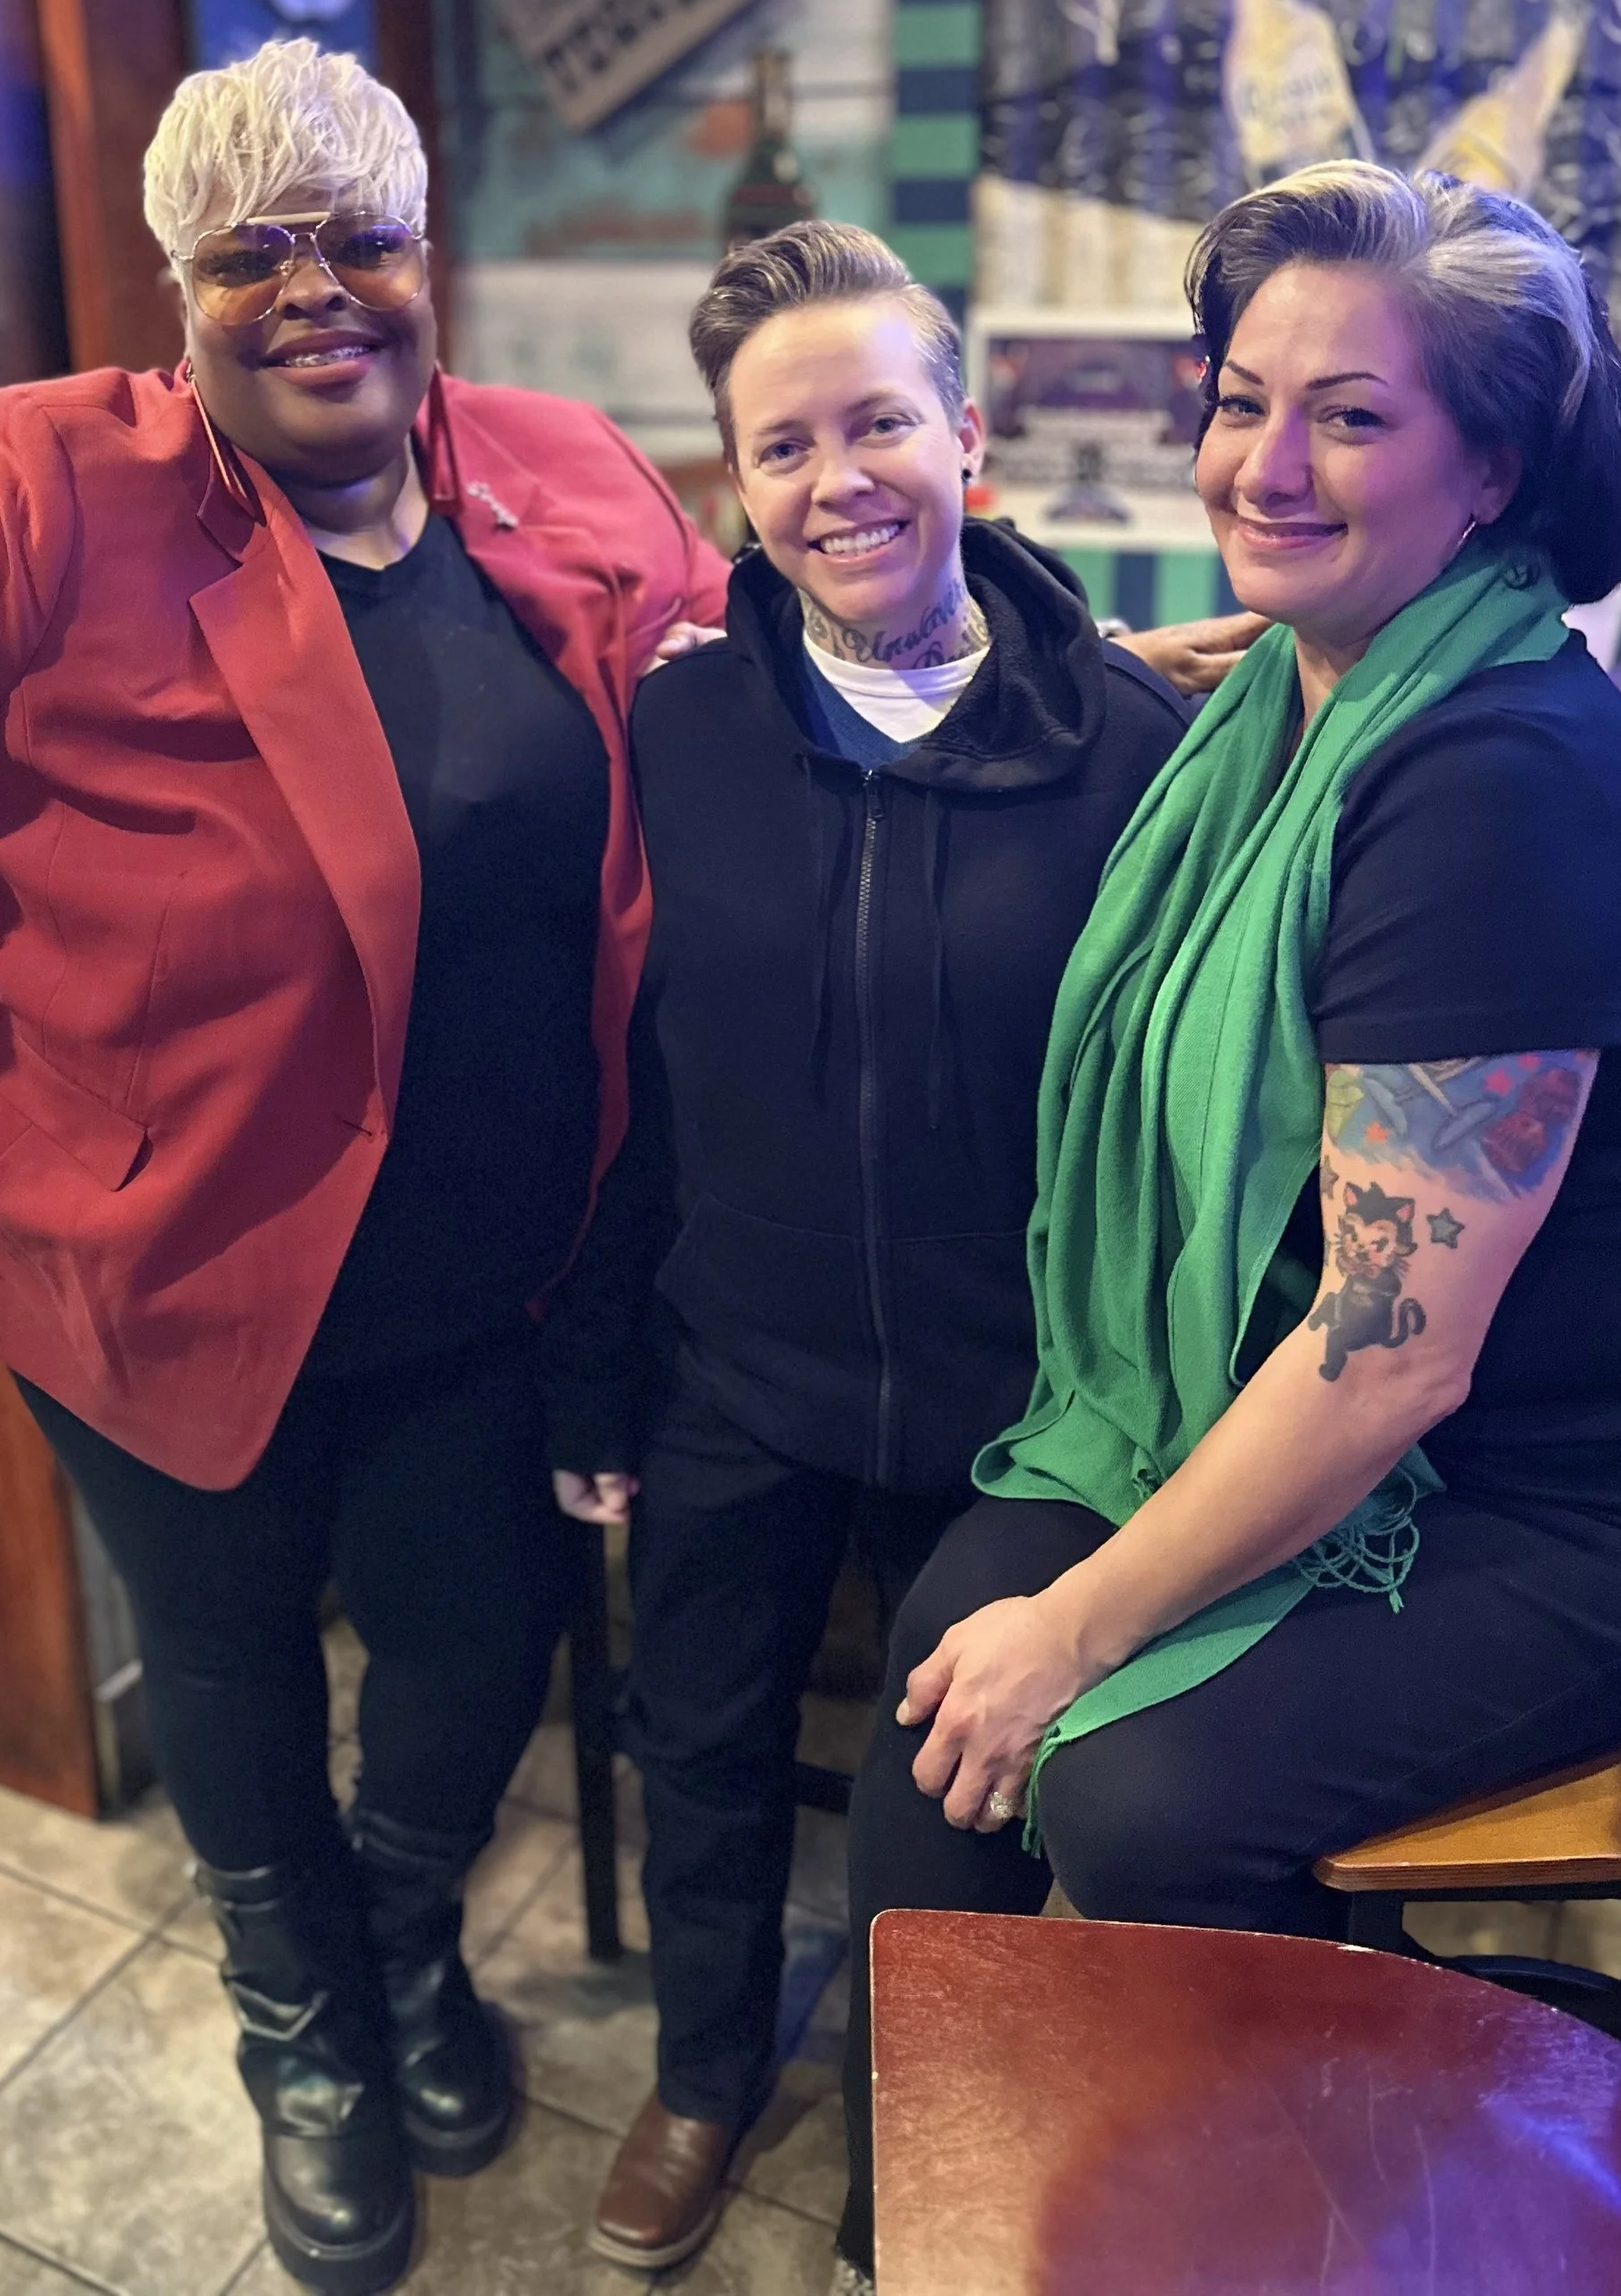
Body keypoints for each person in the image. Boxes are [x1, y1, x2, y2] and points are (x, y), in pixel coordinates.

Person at [0, 39, 727, 2296]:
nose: (318, 290)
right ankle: (306, 2030)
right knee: (226, 1656)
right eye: (253, 253)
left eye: (364, 238)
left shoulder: (560, 469)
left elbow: (758, 672)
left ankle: (408, 1944)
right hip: (150, 1241)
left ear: (431, 255)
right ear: (181, 284)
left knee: (471, 1636)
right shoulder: (44, 498)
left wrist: (1070, 668)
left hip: (491, 1253)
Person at [827, 162, 1621, 2288]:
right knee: (944, 1721)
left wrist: (1087, 1625)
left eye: (1350, 417)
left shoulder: (1490, 777)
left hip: (1610, 1491)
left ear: (1492, 464)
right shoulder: (1293, 706)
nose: (1260, 464)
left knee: (1132, 1797)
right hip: (1368, 1414)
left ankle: (1353, 2231)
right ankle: (927, 2234)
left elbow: (1392, 1345)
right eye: (1234, 396)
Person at [540, 221, 1190, 2273]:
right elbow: (617, 1077)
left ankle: (924, 2124)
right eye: (783, 443)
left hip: (1018, 1414)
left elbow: (1180, 1134)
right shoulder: (678, 734)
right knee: (699, 1740)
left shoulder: (1125, 748)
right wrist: (593, 1371)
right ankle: (707, 2073)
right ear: (734, 480)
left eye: (880, 422)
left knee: (960, 1800)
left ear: (966, 437)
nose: (840, 482)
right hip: (734, 1360)